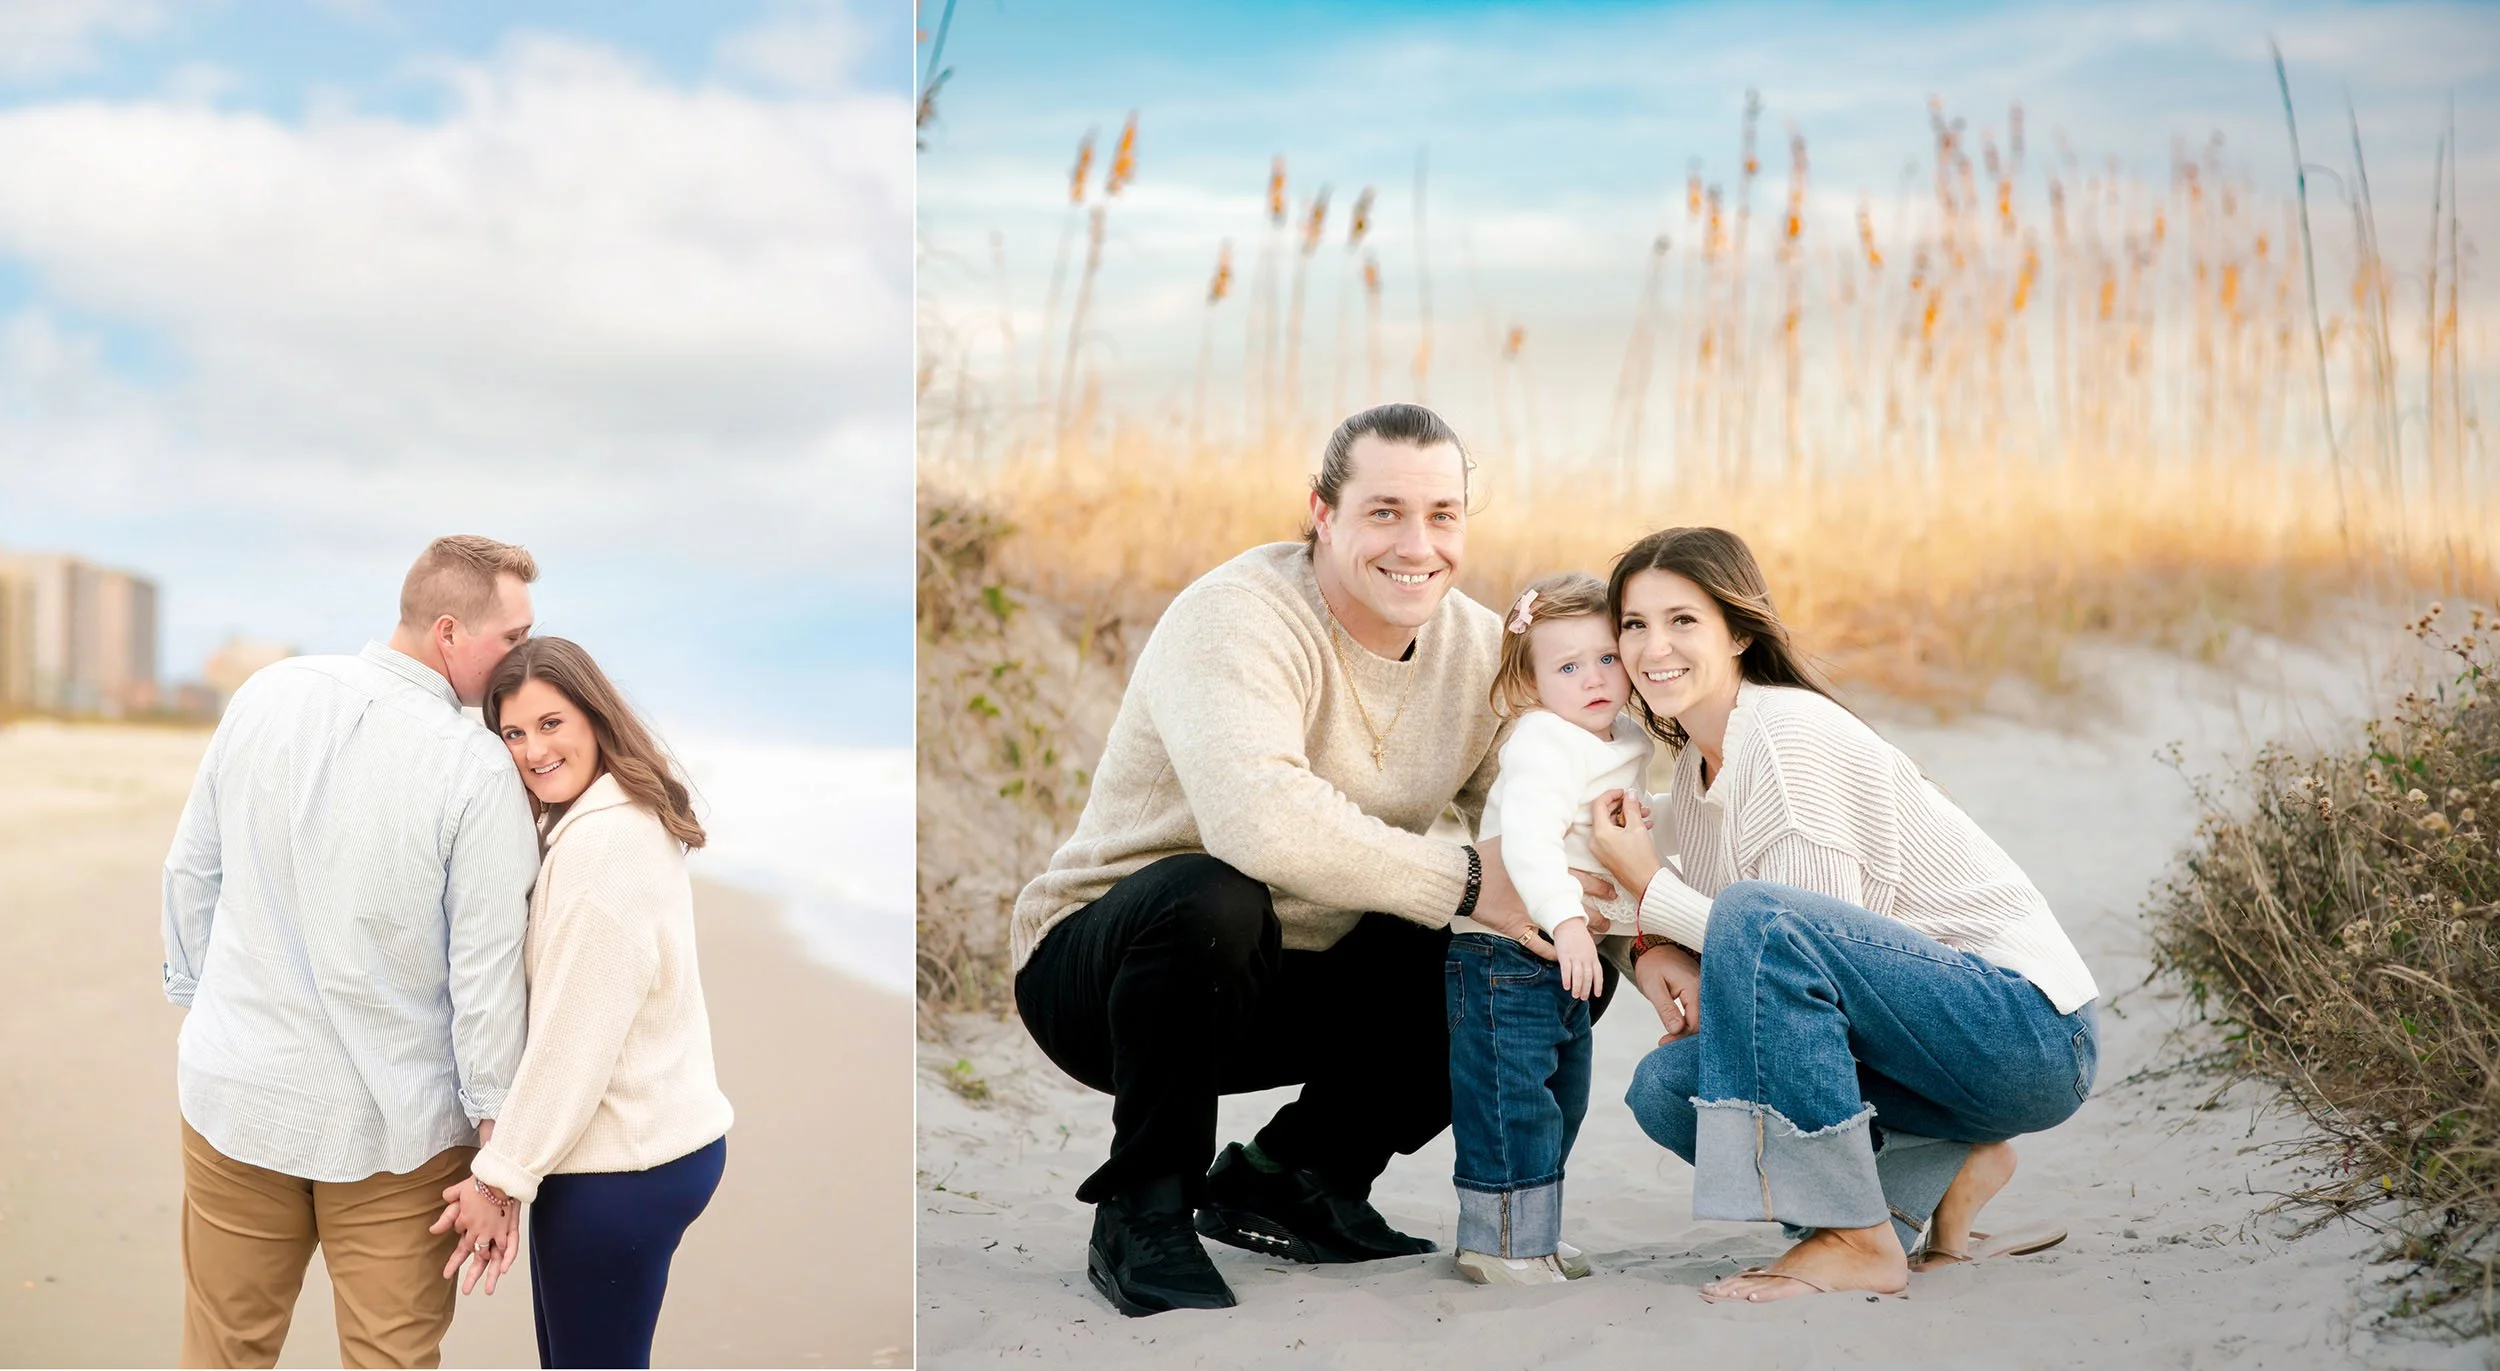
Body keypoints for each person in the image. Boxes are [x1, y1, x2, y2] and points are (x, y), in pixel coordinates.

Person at [1008, 402, 1607, 1317]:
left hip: (1293, 976)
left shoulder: (1483, 649)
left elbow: (1546, 825)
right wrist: (1471, 879)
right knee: (1213, 896)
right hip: (1111, 974)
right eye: (1384, 511)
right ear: (1322, 512)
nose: (1418, 543)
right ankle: (1145, 1207)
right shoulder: (1237, 616)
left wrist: (1644, 946)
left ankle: (1295, 1175)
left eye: (1442, 514)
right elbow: (1260, 823)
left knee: (1549, 958)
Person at [1588, 526, 2100, 1303]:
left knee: (1762, 917)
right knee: (1668, 1086)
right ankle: (1951, 1164)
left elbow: (1793, 938)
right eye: (1634, 623)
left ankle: (1859, 1238)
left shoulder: (1789, 739)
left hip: (2027, 1029)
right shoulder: (1695, 776)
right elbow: (1756, 965)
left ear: (1739, 631)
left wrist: (1652, 889)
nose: (1654, 645)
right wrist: (1650, 940)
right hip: (1931, 1055)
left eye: (1683, 619)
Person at [161, 535, 541, 1368]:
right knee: (390, 1358)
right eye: (512, 638)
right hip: (396, 1136)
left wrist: (211, 1014)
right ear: (450, 632)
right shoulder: (477, 768)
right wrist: (497, 1161)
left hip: (237, 1096)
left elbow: (191, 870)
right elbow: (484, 982)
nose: (526, 655)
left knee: (221, 1351)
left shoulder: (267, 693)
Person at [428, 637, 734, 1370]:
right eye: (513, 732)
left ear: (594, 716)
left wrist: (500, 1177)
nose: (533, 749)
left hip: (619, 1168)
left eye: (551, 723)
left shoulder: (602, 846)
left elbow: (576, 1038)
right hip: (659, 1146)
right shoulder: (619, 811)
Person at [1447, 571, 1677, 1285]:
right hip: (1506, 952)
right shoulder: (1543, 739)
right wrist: (1573, 923)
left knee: (1562, 1097)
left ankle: (1533, 1230)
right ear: (1531, 682)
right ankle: (1499, 1243)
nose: (1593, 678)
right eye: (1567, 666)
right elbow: (1529, 844)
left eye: (1607, 657)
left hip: (1564, 955)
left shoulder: (1626, 739)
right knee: (1512, 1098)